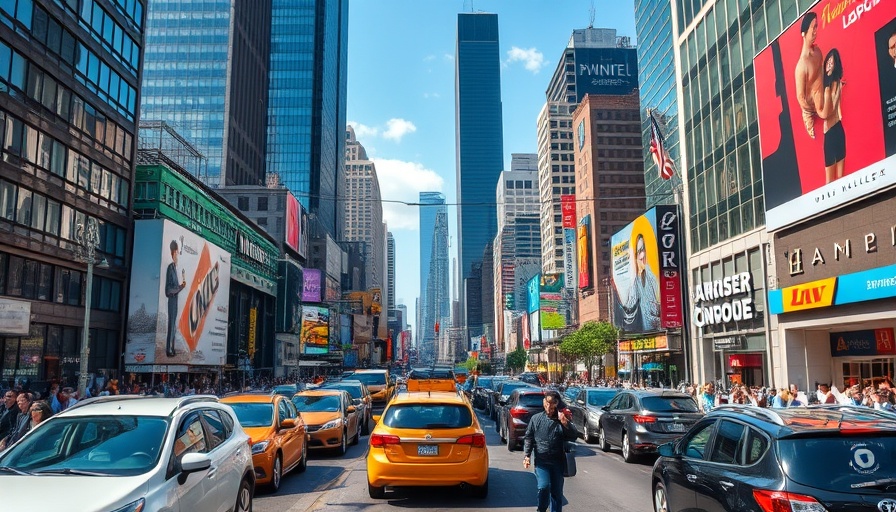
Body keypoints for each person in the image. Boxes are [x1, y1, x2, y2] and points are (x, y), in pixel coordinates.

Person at [523, 390, 578, 512]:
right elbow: (529, 437)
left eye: (552, 403)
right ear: (543, 403)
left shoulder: (562, 419)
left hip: (557, 462)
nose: (549, 406)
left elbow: (573, 436)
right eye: (547, 403)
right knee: (544, 487)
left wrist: (565, 423)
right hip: (542, 462)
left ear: (557, 404)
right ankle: (541, 509)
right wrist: (527, 455)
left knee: (556, 493)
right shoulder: (536, 419)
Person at [617, 234, 661, 332]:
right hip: (646, 329)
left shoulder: (652, 276)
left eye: (642, 249)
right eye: (638, 251)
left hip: (660, 327)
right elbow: (629, 305)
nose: (642, 255)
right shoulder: (636, 282)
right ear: (635, 257)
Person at [816, 48, 845, 184]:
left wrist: (829, 91)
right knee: (829, 181)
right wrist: (826, 91)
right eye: (828, 61)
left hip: (838, 128)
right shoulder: (821, 87)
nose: (829, 64)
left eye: (832, 62)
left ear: (836, 65)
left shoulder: (837, 84)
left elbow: (832, 109)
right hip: (828, 132)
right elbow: (824, 114)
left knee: (841, 177)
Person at [794, 11, 824, 139]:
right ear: (803, 33)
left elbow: (822, 72)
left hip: (823, 97)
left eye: (816, 26)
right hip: (812, 110)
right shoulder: (801, 67)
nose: (816, 31)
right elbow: (801, 98)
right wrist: (813, 110)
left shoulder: (817, 51)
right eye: (813, 27)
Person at [165, 240, 186, 358]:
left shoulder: (174, 268)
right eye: (177, 252)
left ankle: (171, 348)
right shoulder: (170, 268)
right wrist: (181, 287)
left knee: (173, 325)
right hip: (172, 300)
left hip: (175, 300)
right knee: (171, 324)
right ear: (173, 253)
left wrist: (180, 287)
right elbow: (169, 290)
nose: (178, 255)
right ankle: (169, 349)